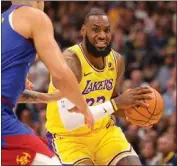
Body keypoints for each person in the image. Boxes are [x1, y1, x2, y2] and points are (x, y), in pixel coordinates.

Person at [46, 8, 153, 165]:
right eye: (95, 30)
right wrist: (117, 103)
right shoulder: (69, 62)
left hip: (104, 133)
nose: (102, 35)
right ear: (84, 31)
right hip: (69, 138)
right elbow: (70, 121)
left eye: (106, 30)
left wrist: (136, 114)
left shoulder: (117, 60)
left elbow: (113, 102)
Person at [1, 1, 94, 165]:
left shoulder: (4, 22)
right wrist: (83, 107)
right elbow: (61, 73)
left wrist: (49, 98)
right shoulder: (34, 16)